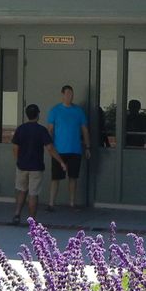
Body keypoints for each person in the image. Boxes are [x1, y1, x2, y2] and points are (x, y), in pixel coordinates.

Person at [10, 103, 63, 225]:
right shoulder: (41, 130)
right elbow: (50, 148)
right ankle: (32, 221)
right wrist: (61, 161)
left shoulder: (21, 129)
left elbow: (15, 147)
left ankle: (17, 214)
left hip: (22, 165)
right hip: (36, 167)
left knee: (21, 190)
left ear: (27, 115)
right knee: (33, 194)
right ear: (38, 115)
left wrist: (18, 160)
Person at [46, 84, 90, 212]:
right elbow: (50, 130)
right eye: (67, 93)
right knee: (55, 178)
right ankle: (51, 203)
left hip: (75, 149)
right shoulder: (55, 110)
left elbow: (85, 130)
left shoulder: (78, 111)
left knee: (73, 177)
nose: (70, 96)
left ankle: (72, 203)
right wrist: (50, 146)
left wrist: (87, 147)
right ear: (62, 94)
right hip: (59, 150)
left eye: (71, 93)